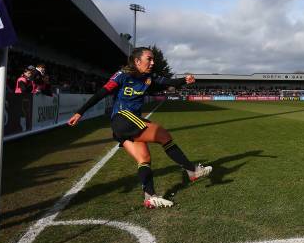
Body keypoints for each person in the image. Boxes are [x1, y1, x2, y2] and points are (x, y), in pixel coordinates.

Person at [68, 47, 212, 209]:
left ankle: (149, 196)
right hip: (122, 118)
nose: (152, 62)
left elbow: (168, 82)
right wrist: (80, 112)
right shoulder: (122, 75)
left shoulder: (149, 77)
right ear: (137, 61)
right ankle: (192, 170)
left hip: (127, 124)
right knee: (163, 134)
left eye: (153, 59)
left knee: (144, 158)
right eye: (149, 59)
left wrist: (185, 80)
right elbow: (102, 92)